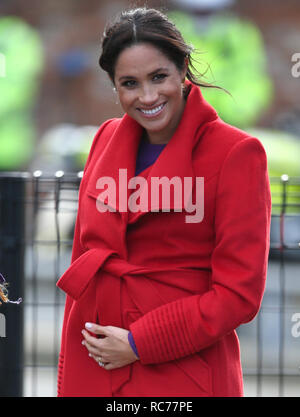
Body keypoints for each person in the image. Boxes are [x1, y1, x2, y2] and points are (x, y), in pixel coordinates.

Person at [56, 7, 271, 397]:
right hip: (97, 360)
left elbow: (239, 294)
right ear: (114, 86)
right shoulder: (105, 138)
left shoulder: (237, 153)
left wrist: (141, 343)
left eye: (159, 77)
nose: (148, 96)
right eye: (130, 83)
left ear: (183, 69)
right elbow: (84, 257)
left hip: (183, 366)